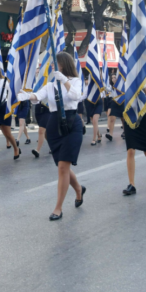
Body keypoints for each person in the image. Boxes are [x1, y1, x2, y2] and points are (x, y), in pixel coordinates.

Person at [20, 52, 85, 221]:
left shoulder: (76, 82)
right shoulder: (50, 85)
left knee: (63, 167)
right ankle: (78, 189)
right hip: (54, 126)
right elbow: (38, 96)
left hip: (72, 124)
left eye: (55, 63)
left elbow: (76, 97)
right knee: (63, 167)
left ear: (64, 64)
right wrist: (27, 96)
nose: (53, 66)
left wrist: (65, 81)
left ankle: (58, 208)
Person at [105, 74, 125, 142]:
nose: (114, 79)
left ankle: (125, 132)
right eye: (112, 78)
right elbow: (107, 89)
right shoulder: (112, 86)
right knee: (112, 119)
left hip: (121, 102)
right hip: (114, 103)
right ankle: (110, 135)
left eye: (115, 77)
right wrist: (102, 83)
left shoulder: (121, 85)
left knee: (123, 119)